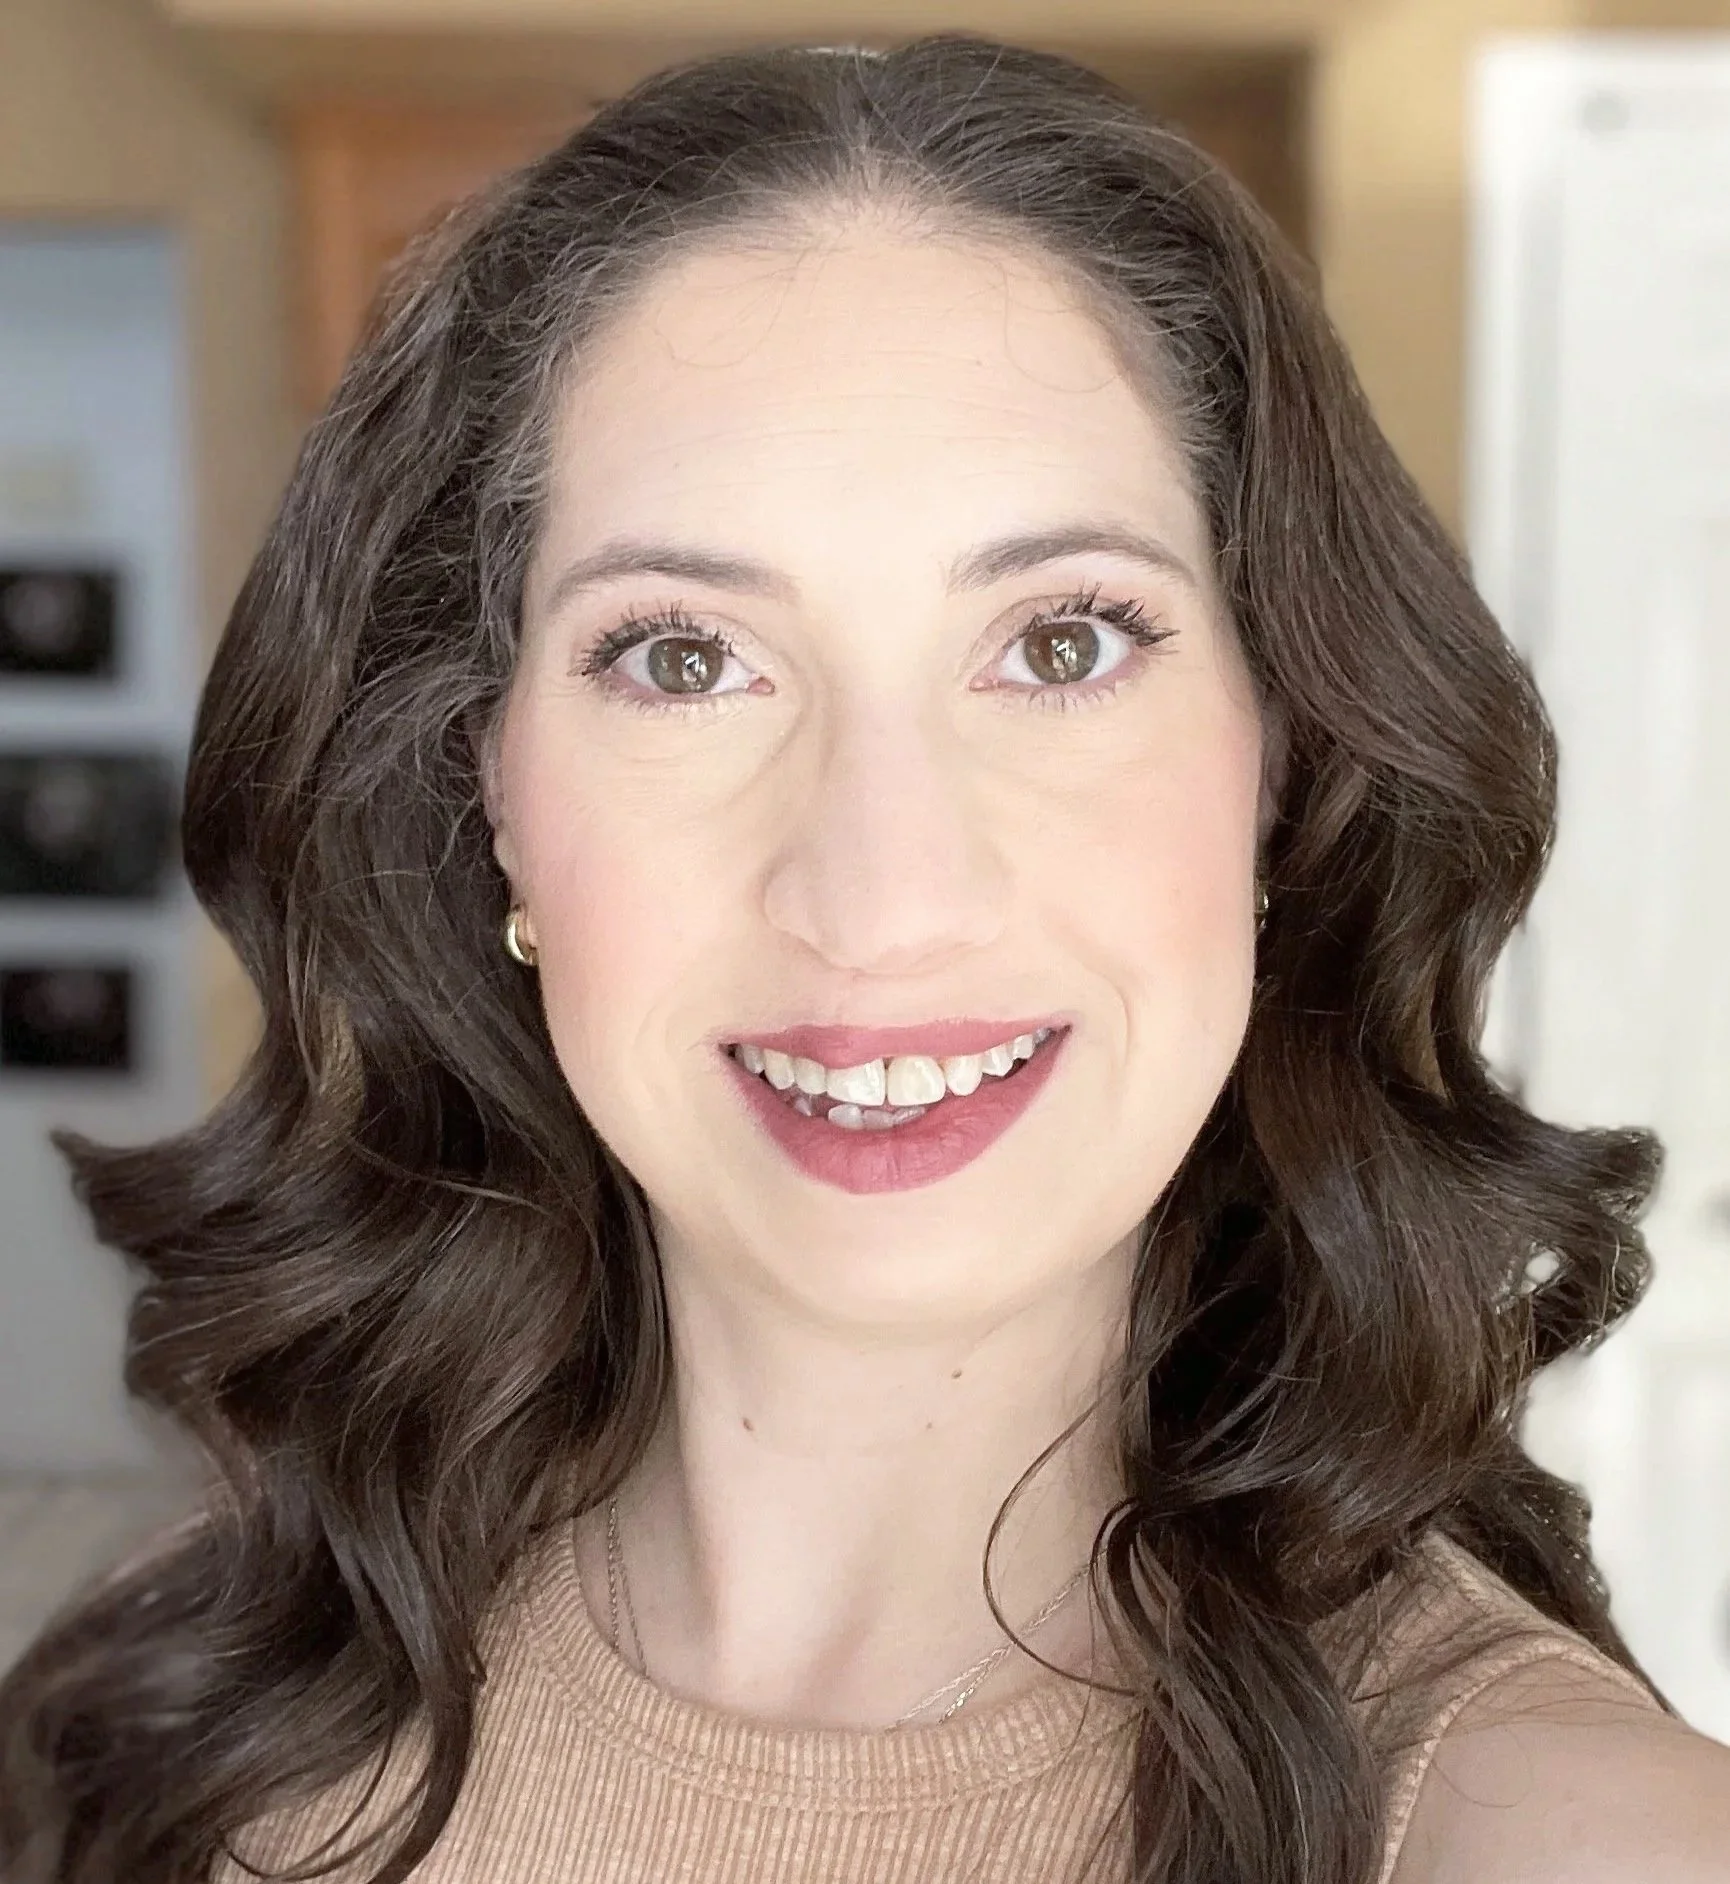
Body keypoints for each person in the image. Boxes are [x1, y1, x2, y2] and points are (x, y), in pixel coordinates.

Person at [2, 34, 1727, 1884]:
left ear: (1282, 758)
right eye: (682, 657)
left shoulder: (1546, 1835)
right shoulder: (170, 1713)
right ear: (483, 781)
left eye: (1062, 644)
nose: (881, 891)